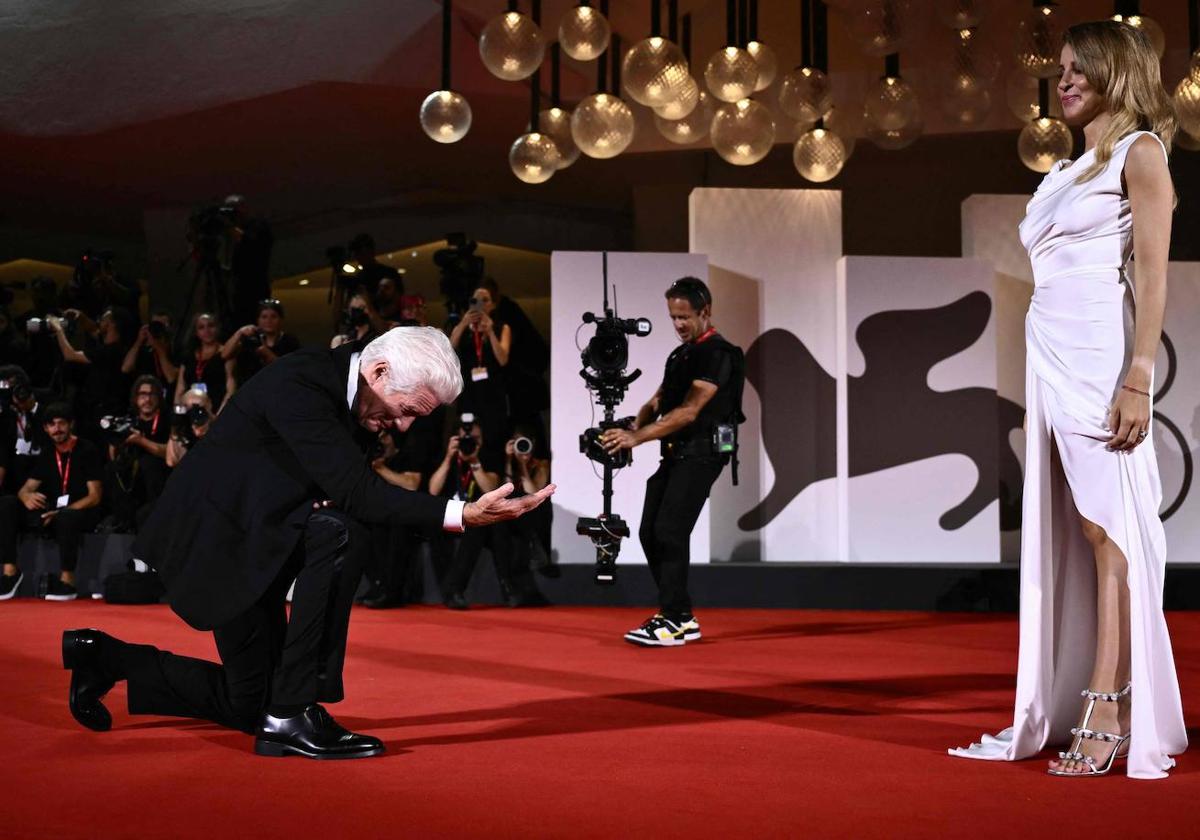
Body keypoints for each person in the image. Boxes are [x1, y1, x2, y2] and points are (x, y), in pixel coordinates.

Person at [59, 327, 554, 759]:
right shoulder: (303, 383)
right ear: (379, 372)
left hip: (265, 536)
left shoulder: (358, 385)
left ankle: (103, 656)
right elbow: (359, 492)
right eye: (404, 411)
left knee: (248, 704)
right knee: (344, 530)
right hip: (221, 543)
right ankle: (293, 709)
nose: (402, 426)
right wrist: (463, 512)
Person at [949, 21, 1186, 779]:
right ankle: (1080, 696)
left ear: (1117, 72)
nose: (1065, 83)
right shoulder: (1065, 170)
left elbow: (1152, 275)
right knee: (1082, 530)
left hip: (1098, 354)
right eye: (1060, 71)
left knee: (1108, 529)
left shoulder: (1139, 154)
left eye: (1079, 70)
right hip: (1050, 353)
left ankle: (1110, 703)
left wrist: (1138, 375)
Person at [600, 277, 743, 647]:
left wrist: (637, 437)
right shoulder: (680, 355)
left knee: (670, 531)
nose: (678, 324)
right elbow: (659, 400)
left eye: (684, 317)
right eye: (673, 317)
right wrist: (631, 428)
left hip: (704, 454)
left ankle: (676, 617)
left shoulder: (720, 353)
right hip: (675, 454)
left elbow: (690, 412)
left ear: (705, 311)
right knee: (649, 531)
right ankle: (676, 614)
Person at [0, 403, 104, 601]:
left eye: (61, 423)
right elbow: (26, 488)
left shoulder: (86, 449)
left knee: (66, 516)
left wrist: (60, 512)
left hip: (81, 512)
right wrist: (26, 496)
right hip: (52, 512)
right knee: (7, 503)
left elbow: (95, 496)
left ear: (70, 425)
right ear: (45, 429)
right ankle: (10, 573)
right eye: (52, 425)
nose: (57, 429)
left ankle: (68, 581)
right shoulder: (48, 453)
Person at [430, 418, 512, 610]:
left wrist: (475, 462)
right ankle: (454, 589)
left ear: (481, 441)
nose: (469, 442)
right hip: (449, 515)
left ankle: (455, 590)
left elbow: (491, 488)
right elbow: (433, 490)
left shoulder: (487, 458)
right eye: (465, 438)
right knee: (432, 525)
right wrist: (449, 458)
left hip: (474, 520)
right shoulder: (447, 458)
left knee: (481, 525)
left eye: (475, 438)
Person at [448, 280, 511, 459]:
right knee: (466, 432)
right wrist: (463, 323)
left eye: (485, 300)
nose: (481, 304)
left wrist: (490, 332)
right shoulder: (464, 328)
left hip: (493, 393)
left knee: (492, 437)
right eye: (476, 300)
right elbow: (449, 348)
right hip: (469, 393)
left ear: (493, 304)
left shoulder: (501, 328)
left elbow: (503, 359)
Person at [103, 375, 171, 532]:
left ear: (159, 397)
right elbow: (113, 455)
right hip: (132, 474)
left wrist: (142, 441)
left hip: (160, 473)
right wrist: (115, 441)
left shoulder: (167, 420)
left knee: (149, 463)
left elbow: (171, 454)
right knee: (112, 468)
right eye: (142, 394)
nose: (147, 399)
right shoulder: (129, 421)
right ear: (135, 398)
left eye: (152, 394)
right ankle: (121, 519)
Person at [223, 299, 300, 386]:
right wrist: (239, 332)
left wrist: (268, 354)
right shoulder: (249, 339)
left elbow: (290, 370)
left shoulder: (290, 341)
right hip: (251, 388)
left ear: (281, 319)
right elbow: (225, 354)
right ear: (258, 320)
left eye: (273, 317)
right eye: (264, 317)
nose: (268, 321)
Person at [176, 313, 235, 413]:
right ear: (196, 332)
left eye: (210, 326)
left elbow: (231, 389)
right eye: (201, 327)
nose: (207, 331)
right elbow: (180, 388)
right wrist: (178, 413)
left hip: (217, 411)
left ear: (217, 328)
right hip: (190, 412)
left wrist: (220, 416)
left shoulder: (226, 353)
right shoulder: (188, 356)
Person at [122, 311, 180, 387]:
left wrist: (158, 348)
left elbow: (171, 377)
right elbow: (125, 368)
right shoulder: (142, 350)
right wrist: (139, 341)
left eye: (161, 326)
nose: (157, 329)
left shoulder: (175, 350)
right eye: (154, 325)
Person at [166, 387, 214, 469]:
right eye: (189, 410)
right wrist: (175, 429)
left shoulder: (219, 427)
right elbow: (171, 461)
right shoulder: (183, 432)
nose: (194, 413)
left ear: (209, 406)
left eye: (198, 408)